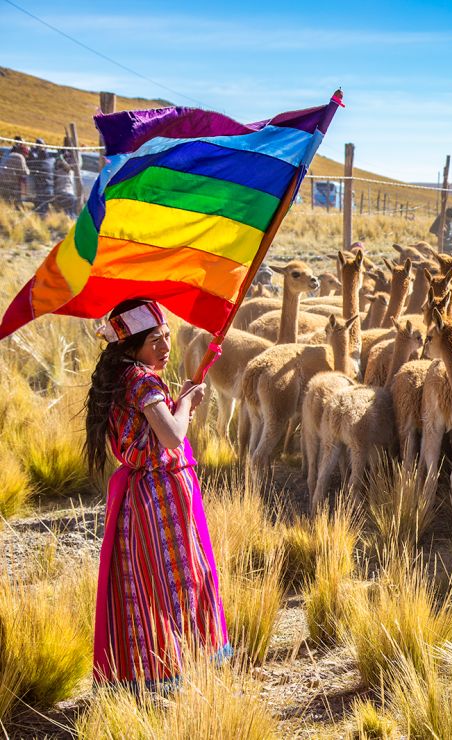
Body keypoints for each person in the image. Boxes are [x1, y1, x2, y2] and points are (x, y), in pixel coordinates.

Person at [86, 299, 229, 687]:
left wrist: (179, 403)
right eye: (154, 341)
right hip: (159, 496)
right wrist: (186, 404)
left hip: (140, 494)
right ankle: (180, 666)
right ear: (130, 346)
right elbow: (171, 436)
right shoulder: (142, 379)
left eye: (166, 337)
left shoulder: (124, 377)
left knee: (143, 583)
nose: (165, 348)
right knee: (177, 579)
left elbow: (154, 429)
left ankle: (147, 670)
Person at [0, 136, 31, 206]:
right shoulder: (19, 156)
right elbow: (25, 172)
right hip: (10, 184)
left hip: (3, 180)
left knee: (4, 202)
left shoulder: (8, 152)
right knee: (10, 202)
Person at [27, 138, 55, 213]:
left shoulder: (40, 162)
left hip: (42, 186)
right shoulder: (50, 161)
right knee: (43, 206)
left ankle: (40, 218)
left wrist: (31, 152)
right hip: (48, 186)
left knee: (41, 207)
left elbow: (31, 165)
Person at [52, 151, 78, 217]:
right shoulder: (69, 170)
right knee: (71, 214)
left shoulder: (57, 170)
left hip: (59, 194)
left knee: (64, 213)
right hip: (67, 194)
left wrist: (60, 156)